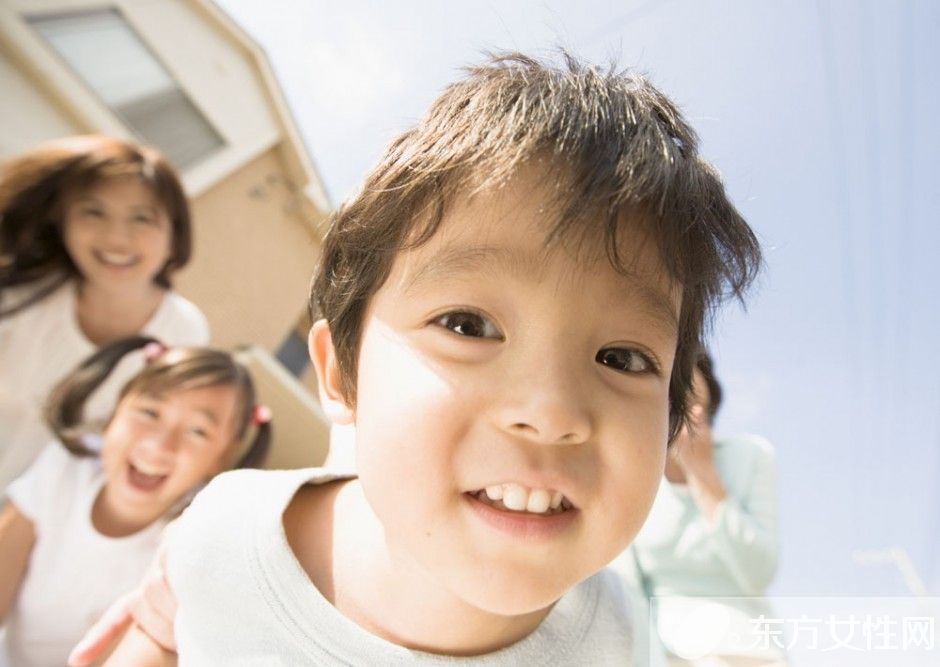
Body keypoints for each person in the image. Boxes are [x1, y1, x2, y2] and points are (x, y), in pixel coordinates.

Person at [72, 51, 763, 665]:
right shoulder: (227, 532)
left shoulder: (615, 639)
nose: (551, 411)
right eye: (467, 325)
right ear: (341, 373)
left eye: (621, 356)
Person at [0, 335, 270, 667]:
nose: (160, 445)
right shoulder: (69, 468)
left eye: (198, 431)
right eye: (149, 412)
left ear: (221, 458)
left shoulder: (193, 542)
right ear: (117, 410)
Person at [0, 135, 210, 493]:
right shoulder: (20, 297)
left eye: (142, 218)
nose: (116, 238)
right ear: (61, 220)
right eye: (93, 212)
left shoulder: (183, 334)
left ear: (175, 234)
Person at [614, 351, 784, 666]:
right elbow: (629, 591)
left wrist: (703, 476)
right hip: (669, 653)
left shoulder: (752, 456)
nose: (686, 415)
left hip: (747, 650)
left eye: (696, 406)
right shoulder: (628, 475)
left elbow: (760, 572)